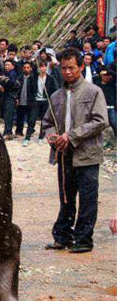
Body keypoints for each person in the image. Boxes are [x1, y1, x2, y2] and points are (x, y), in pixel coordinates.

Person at [42, 48, 110, 253]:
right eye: (63, 68)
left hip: (87, 154)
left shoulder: (93, 91)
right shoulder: (56, 95)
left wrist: (71, 136)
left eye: (71, 67)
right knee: (66, 197)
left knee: (88, 199)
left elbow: (100, 121)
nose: (67, 72)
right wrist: (52, 135)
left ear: (81, 67)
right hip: (64, 155)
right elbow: (47, 122)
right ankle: (62, 236)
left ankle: (83, 239)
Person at [0, 59, 21, 140]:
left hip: (10, 96)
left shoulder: (13, 73)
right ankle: (8, 132)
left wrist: (1, 79)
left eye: (8, 65)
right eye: (5, 65)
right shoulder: (7, 73)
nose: (6, 66)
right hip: (8, 96)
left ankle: (8, 133)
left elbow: (11, 83)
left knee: (8, 115)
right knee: (7, 115)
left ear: (12, 66)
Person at [93, 64, 116, 136]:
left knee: (114, 122)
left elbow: (115, 74)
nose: (106, 76)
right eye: (104, 75)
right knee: (101, 124)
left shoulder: (111, 83)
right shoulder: (97, 84)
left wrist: (107, 71)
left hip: (111, 107)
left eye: (108, 75)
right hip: (101, 107)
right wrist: (101, 72)